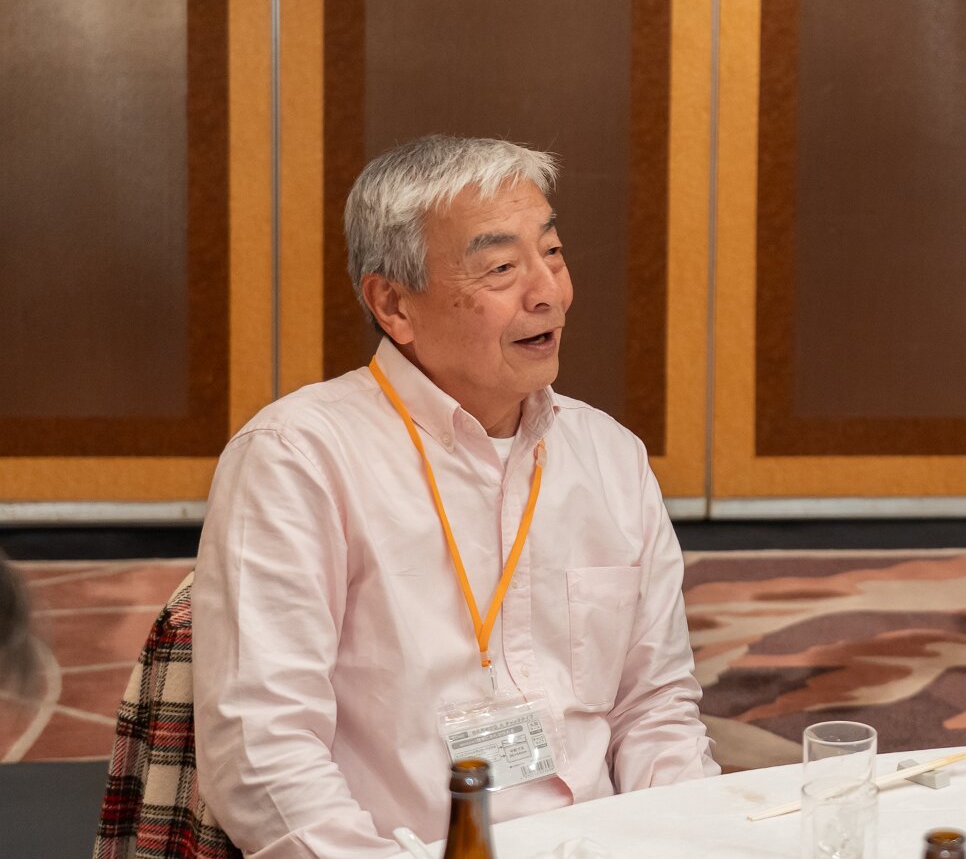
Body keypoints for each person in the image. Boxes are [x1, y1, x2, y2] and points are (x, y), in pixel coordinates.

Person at [195, 136, 715, 857]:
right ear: (393, 304)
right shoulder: (298, 459)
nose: (548, 292)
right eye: (501, 267)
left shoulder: (610, 456)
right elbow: (262, 756)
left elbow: (654, 709)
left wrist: (694, 839)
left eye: (553, 252)